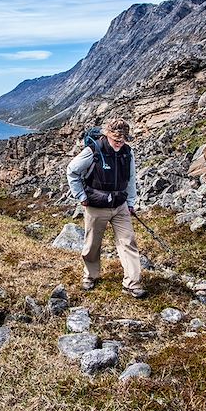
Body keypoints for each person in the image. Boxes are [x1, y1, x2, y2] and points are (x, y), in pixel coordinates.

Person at [66, 118, 146, 298]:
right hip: (96, 205)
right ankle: (90, 275)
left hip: (120, 205)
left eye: (122, 139)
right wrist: (81, 196)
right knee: (92, 244)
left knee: (128, 242)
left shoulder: (128, 152)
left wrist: (131, 203)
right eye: (115, 139)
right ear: (107, 135)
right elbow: (72, 170)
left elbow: (131, 178)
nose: (119, 143)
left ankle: (132, 283)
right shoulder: (93, 150)